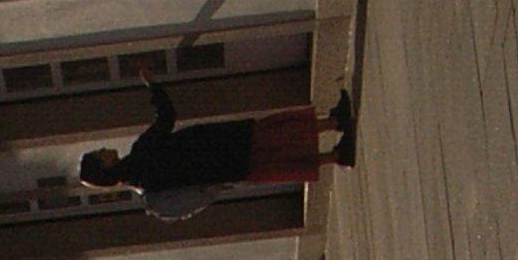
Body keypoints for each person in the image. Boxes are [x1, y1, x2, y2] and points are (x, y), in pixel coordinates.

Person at [75, 82, 358, 218]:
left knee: (282, 162)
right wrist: (154, 88)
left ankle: (335, 156)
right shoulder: (141, 153)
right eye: (100, 154)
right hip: (221, 144)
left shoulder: (144, 185)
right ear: (105, 165)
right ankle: (334, 122)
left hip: (226, 170)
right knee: (277, 133)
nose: (103, 149)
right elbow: (166, 117)